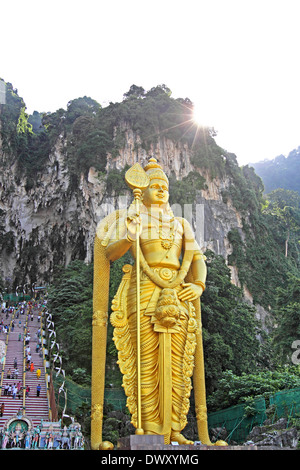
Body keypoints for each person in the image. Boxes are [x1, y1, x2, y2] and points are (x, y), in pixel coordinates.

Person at [92, 158, 210, 446]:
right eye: (154, 185)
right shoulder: (135, 219)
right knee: (147, 359)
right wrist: (130, 234)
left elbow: (197, 259)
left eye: (164, 186)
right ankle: (151, 429)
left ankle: (175, 428)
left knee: (180, 360)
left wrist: (198, 284)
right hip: (143, 290)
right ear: (141, 190)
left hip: (179, 292)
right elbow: (110, 252)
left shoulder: (181, 224)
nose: (160, 190)